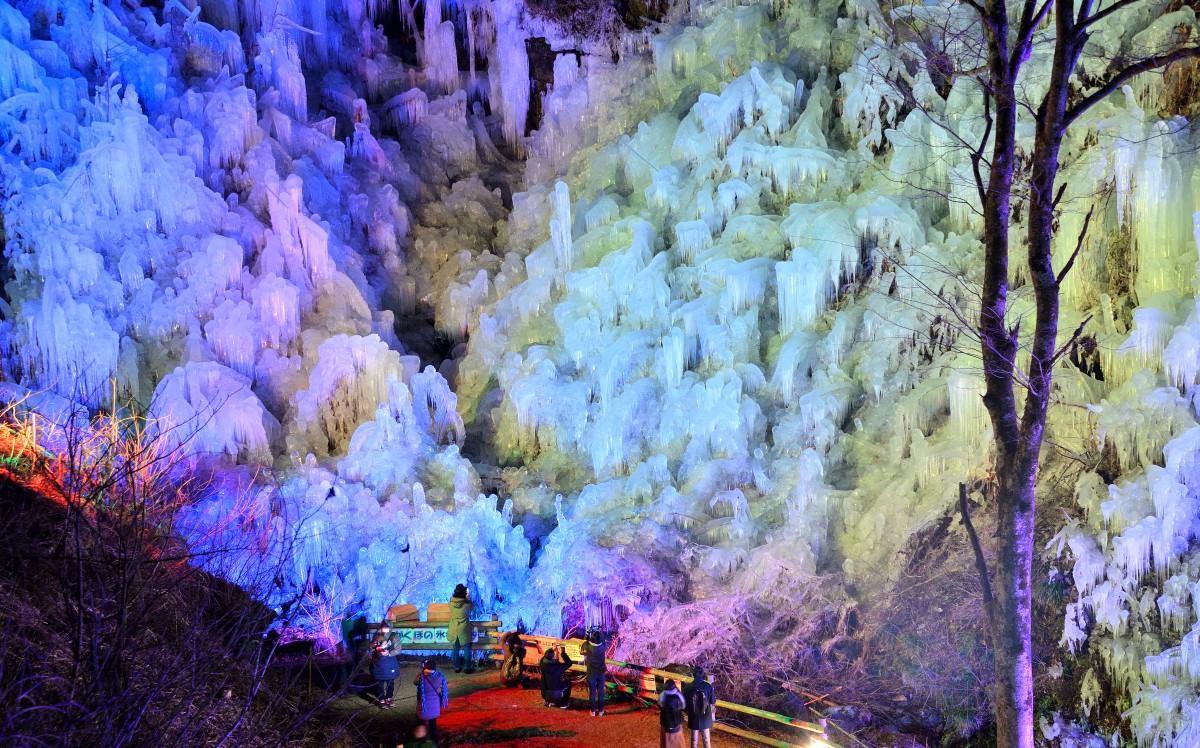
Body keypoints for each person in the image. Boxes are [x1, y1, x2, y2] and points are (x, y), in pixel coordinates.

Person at [414, 659, 449, 744]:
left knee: (421, 725)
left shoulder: (421, 676)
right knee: (433, 725)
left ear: (425, 666)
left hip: (423, 705)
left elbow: (415, 683)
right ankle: (434, 742)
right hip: (434, 705)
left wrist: (421, 672)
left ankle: (421, 742)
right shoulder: (440, 676)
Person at [683, 666, 717, 748]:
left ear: (693, 674)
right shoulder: (708, 686)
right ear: (702, 675)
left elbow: (684, 703)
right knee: (706, 740)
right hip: (705, 716)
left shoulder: (687, 687)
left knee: (694, 740)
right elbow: (713, 701)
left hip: (693, 716)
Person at [370, 624, 400, 708]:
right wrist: (374, 646)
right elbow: (370, 648)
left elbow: (398, 649)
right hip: (378, 663)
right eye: (383, 627)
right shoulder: (376, 636)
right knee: (379, 683)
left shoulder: (394, 636)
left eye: (387, 628)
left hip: (390, 663)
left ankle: (389, 698)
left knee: (390, 682)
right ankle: (381, 699)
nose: (385, 630)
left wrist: (389, 652)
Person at [447, 583, 475, 673]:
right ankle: (467, 668)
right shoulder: (467, 605)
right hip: (464, 629)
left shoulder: (450, 603)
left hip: (454, 629)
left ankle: (457, 667)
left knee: (455, 649)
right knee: (466, 649)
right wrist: (468, 597)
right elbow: (472, 607)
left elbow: (452, 599)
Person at [580, 628, 608, 716]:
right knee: (601, 692)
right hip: (601, 672)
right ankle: (601, 711)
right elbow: (603, 640)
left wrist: (588, 632)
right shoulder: (603, 647)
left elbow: (584, 640)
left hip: (591, 672)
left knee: (592, 692)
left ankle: (592, 711)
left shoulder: (588, 646)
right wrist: (600, 632)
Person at [659, 679, 687, 748]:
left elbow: (660, 705)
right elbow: (683, 706)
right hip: (676, 720)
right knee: (678, 740)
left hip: (665, 721)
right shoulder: (678, 694)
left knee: (666, 740)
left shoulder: (662, 694)